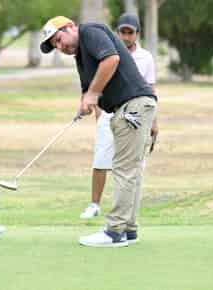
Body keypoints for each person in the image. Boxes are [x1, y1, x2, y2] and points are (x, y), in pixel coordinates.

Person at [40, 16, 157, 247]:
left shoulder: (90, 31)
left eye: (59, 38)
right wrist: (86, 102)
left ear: (71, 26)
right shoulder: (81, 57)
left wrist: (92, 94)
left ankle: (114, 230)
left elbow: (111, 59)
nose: (60, 46)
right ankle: (128, 230)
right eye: (55, 45)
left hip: (132, 105)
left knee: (124, 169)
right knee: (131, 170)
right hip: (129, 107)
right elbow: (89, 91)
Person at [79, 13, 158, 220]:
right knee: (101, 160)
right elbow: (94, 81)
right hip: (108, 113)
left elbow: (149, 88)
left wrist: (154, 121)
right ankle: (95, 204)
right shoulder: (104, 49)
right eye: (122, 32)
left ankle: (121, 224)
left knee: (129, 167)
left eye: (129, 32)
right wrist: (98, 112)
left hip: (135, 113)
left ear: (137, 34)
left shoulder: (146, 58)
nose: (125, 36)